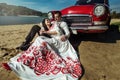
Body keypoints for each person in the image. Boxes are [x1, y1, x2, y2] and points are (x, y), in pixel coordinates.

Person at [2, 11, 82, 80]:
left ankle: (28, 51)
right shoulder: (53, 23)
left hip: (59, 40)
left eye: (57, 17)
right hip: (51, 39)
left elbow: (67, 33)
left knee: (41, 41)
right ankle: (24, 59)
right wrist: (42, 29)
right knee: (39, 39)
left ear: (61, 17)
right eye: (55, 17)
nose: (56, 18)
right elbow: (44, 24)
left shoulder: (62, 23)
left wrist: (66, 36)